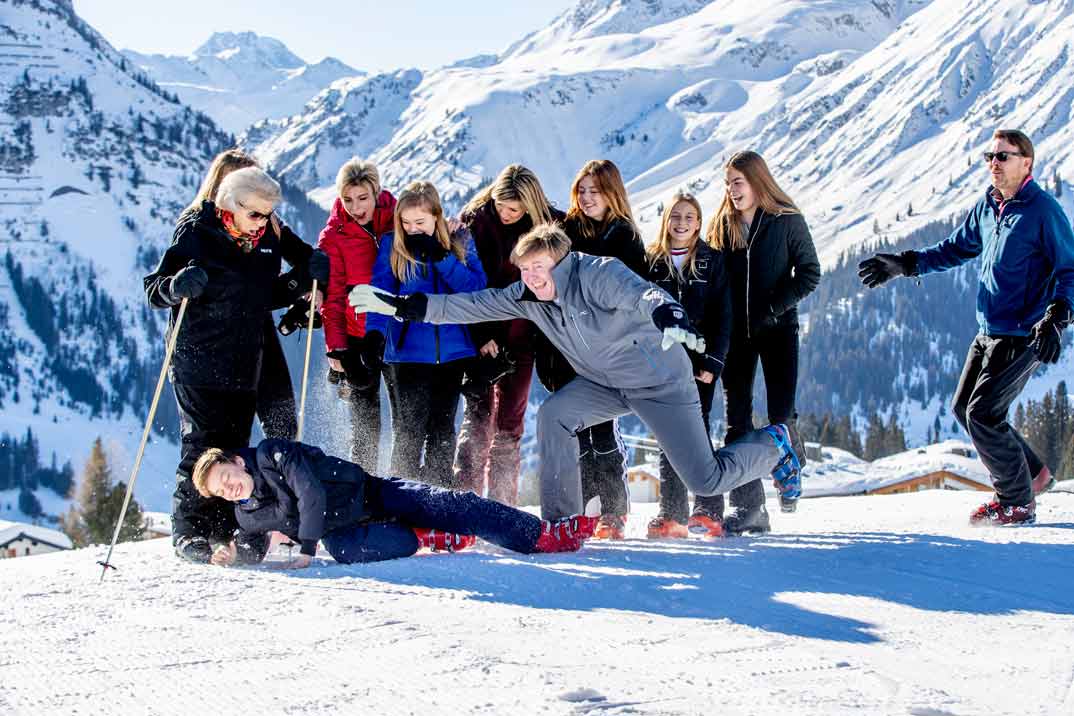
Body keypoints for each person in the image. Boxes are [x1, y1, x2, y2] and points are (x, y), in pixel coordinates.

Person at [350, 224, 803, 523]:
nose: (531, 278)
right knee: (555, 416)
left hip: (659, 382)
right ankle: (561, 521)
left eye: (538, 268)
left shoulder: (598, 274)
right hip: (605, 383)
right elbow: (472, 304)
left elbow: (641, 294)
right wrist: (402, 307)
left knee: (705, 478)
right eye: (525, 270)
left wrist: (667, 311)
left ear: (561, 261)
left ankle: (774, 443)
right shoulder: (529, 294)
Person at [859, 129, 1074, 526]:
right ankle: (1033, 474)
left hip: (1023, 331)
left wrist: (1056, 318)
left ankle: (1017, 501)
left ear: (1026, 163)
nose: (994, 163)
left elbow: (1069, 271)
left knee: (983, 415)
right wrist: (904, 265)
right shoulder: (990, 205)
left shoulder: (1043, 212)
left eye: (1004, 156)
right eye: (990, 156)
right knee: (965, 408)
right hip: (987, 329)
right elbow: (955, 248)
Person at [145, 165, 330, 563]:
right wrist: (177, 286)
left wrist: (304, 279)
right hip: (199, 361)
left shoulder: (265, 238)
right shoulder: (198, 232)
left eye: (269, 214)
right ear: (231, 204)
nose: (265, 223)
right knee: (202, 447)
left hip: (244, 363)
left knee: (235, 453)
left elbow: (260, 295)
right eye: (257, 214)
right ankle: (190, 532)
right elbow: (154, 289)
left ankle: (231, 530)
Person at [191, 438, 602, 567]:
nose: (228, 488)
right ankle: (428, 536)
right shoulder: (245, 513)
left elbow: (311, 493)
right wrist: (231, 553)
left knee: (453, 504)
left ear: (236, 463)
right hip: (346, 531)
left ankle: (545, 536)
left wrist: (305, 549)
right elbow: (253, 543)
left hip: (371, 492)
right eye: (219, 490)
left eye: (225, 477)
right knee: (360, 549)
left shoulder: (270, 454)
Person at [686, 151, 820, 538]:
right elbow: (712, 279)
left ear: (757, 181)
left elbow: (810, 273)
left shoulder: (786, 220)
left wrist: (773, 307)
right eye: (727, 183)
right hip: (736, 339)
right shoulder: (721, 224)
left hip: (778, 331)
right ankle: (750, 509)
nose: (731, 190)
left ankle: (790, 467)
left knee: (781, 415)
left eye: (737, 182)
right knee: (737, 422)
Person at [544, 159, 648, 539]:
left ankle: (613, 511)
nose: (587, 198)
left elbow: (633, 299)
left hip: (607, 352)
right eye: (581, 191)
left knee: (602, 434)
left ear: (612, 193)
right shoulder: (564, 233)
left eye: (596, 191)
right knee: (575, 437)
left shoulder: (626, 239)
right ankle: (585, 510)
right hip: (568, 349)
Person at [454, 165, 564, 504]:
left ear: (529, 205)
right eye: (501, 205)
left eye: (513, 210)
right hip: (480, 333)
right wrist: (482, 334)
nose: (505, 214)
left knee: (509, 428)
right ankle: (463, 504)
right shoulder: (475, 222)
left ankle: (503, 506)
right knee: (476, 422)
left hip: (522, 337)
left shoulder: (547, 225)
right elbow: (466, 281)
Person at [367, 181, 486, 487]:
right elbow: (380, 294)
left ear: (436, 216)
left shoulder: (459, 240)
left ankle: (438, 505)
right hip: (406, 354)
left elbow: (476, 289)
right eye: (406, 223)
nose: (412, 229)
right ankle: (402, 503)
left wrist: (442, 258)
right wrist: (374, 336)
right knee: (408, 432)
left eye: (419, 222)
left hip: (453, 354)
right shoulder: (392, 245)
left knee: (442, 432)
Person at [644, 191, 732, 538]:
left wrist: (713, 361)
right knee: (667, 434)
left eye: (689, 217)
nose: (681, 223)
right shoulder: (652, 260)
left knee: (697, 431)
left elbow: (723, 315)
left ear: (698, 223)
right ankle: (672, 511)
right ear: (666, 221)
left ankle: (708, 508)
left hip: (699, 362)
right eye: (675, 216)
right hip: (662, 362)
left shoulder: (712, 260)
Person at [317, 158, 397, 472]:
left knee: (405, 421)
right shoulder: (335, 235)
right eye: (348, 199)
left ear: (376, 193)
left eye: (362, 198)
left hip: (396, 334)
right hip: (356, 338)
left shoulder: (396, 219)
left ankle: (402, 491)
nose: (355, 206)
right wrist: (336, 348)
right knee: (364, 426)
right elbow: (333, 296)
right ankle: (363, 490)